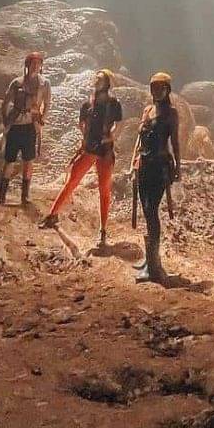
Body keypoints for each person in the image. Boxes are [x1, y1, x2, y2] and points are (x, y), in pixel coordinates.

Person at [41, 69, 122, 246]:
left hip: (105, 150)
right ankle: (52, 215)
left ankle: (103, 230)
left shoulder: (113, 103)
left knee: (104, 189)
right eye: (96, 78)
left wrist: (109, 137)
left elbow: (118, 125)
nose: (96, 80)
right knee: (72, 180)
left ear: (107, 82)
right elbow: (81, 124)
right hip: (90, 148)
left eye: (100, 79)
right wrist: (85, 138)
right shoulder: (88, 104)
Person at [129, 72, 181, 283]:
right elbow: (139, 140)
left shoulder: (171, 113)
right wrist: (133, 163)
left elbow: (175, 141)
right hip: (144, 165)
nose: (157, 91)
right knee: (146, 211)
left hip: (160, 166)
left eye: (161, 87)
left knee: (151, 212)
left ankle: (154, 266)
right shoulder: (147, 111)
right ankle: (150, 260)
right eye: (154, 87)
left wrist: (179, 167)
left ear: (167, 90)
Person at [0, 51, 51, 208]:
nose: (35, 66)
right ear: (27, 65)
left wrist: (42, 120)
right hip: (16, 126)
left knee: (28, 161)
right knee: (9, 161)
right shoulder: (17, 82)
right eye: (32, 63)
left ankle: (25, 196)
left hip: (30, 126)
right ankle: (2, 195)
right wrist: (6, 120)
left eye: (38, 63)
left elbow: (47, 103)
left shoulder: (44, 84)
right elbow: (5, 103)